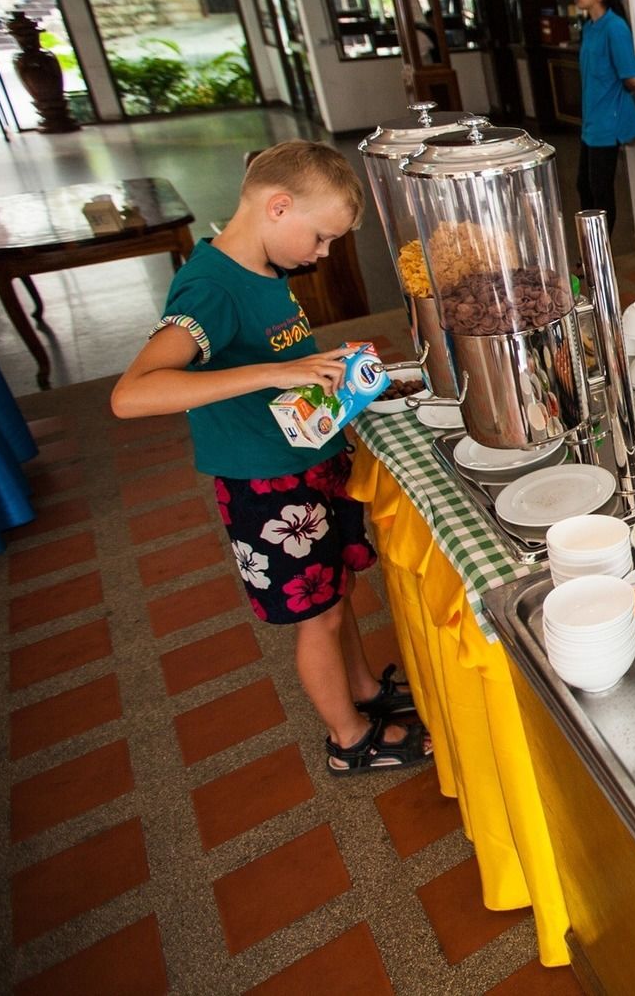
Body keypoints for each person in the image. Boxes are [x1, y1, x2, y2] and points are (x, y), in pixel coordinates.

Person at [112, 141, 430, 774]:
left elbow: (282, 359)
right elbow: (132, 395)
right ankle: (348, 739)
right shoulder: (209, 289)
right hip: (266, 483)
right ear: (278, 207)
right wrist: (268, 374)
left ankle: (364, 693)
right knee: (316, 615)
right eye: (320, 238)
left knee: (335, 596)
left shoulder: (264, 270)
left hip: (306, 461)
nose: (323, 254)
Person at [573, 0, 635, 220]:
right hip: (591, 122)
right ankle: (591, 251)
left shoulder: (615, 27)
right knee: (584, 186)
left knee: (600, 191)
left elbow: (631, 79)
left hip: (607, 123)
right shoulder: (589, 28)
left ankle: (602, 254)